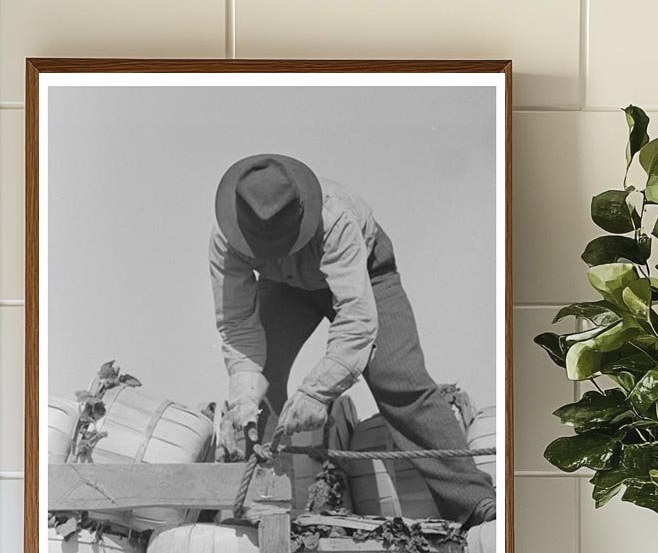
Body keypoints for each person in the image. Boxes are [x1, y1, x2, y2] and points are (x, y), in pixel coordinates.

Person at [209, 153, 495, 529]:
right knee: (257, 390)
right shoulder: (227, 241)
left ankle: (475, 503)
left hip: (366, 275)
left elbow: (356, 319)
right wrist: (244, 395)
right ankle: (260, 514)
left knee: (399, 379)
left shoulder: (336, 217)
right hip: (286, 286)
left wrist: (316, 392)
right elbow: (238, 325)